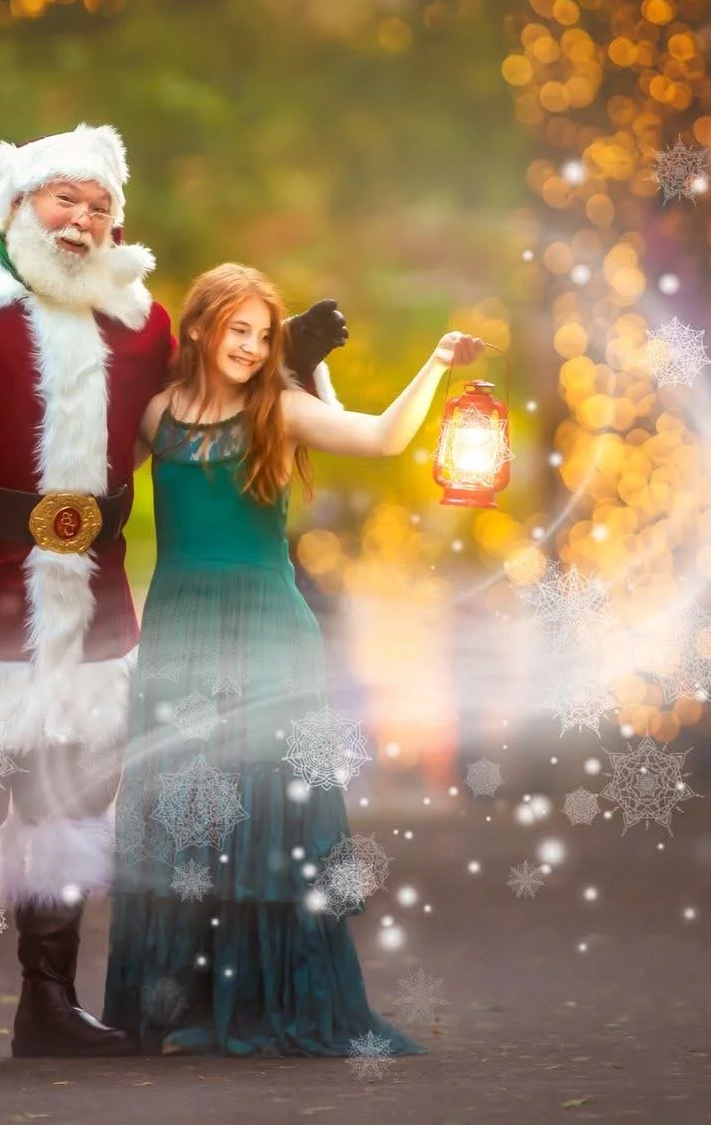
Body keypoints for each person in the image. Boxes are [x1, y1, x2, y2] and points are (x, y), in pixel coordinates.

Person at [0, 127, 347, 1067]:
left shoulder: (140, 319)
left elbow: (217, 400)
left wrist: (291, 364)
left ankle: (49, 1003)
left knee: (71, 800)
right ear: (18, 203)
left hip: (88, 593)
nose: (81, 221)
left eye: (99, 207)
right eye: (63, 201)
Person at [103, 262, 483, 1059]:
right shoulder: (156, 416)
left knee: (266, 815)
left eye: (262, 334)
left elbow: (379, 436)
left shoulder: (278, 407)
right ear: (201, 330)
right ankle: (184, 1003)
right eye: (236, 330)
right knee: (185, 819)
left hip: (267, 632)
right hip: (179, 630)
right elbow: (95, 490)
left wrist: (437, 364)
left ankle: (263, 1004)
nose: (248, 346)